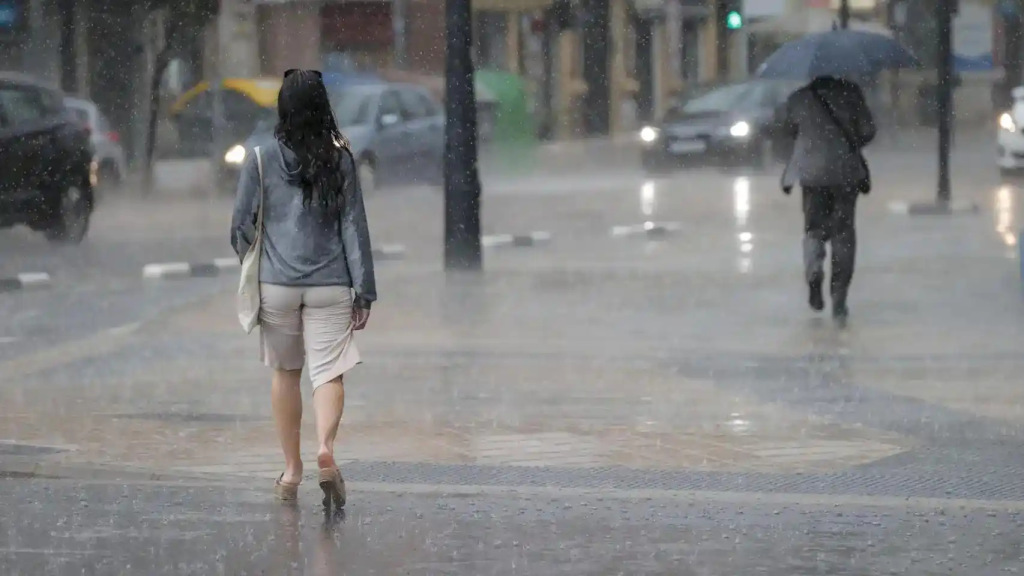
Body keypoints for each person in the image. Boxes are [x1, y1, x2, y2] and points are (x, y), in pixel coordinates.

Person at [230, 69, 376, 507]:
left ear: (283, 108)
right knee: (329, 372)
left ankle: (291, 471)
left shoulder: (258, 159)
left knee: (285, 374)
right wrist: (363, 288)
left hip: (277, 284)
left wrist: (256, 262)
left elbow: (240, 225)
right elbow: (354, 227)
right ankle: (325, 449)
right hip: (332, 283)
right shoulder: (342, 159)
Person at [780, 75, 875, 321]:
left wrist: (811, 137)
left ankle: (813, 272)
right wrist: (848, 136)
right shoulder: (851, 94)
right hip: (845, 172)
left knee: (814, 229)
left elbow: (785, 130)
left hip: (811, 174)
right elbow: (868, 131)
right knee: (843, 233)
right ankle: (839, 296)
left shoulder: (799, 98)